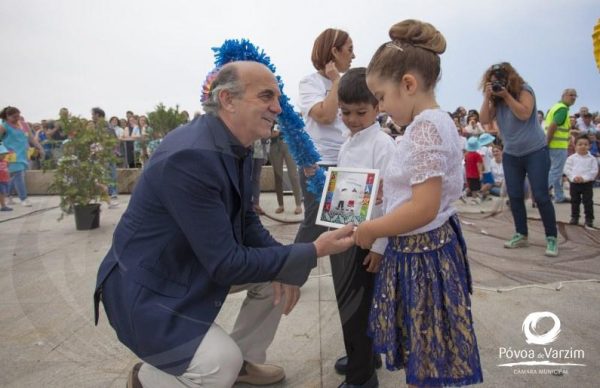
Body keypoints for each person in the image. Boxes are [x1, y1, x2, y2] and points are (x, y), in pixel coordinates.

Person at [94, 61, 355, 388]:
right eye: (266, 96)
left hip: (186, 267)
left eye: (278, 97)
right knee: (218, 363)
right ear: (228, 100)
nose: (278, 107)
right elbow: (226, 264)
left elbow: (246, 223)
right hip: (147, 291)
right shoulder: (190, 157)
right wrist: (313, 250)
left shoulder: (237, 146)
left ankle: (243, 363)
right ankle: (149, 380)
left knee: (280, 275)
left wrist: (289, 263)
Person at [355, 19, 483, 387]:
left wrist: (371, 228)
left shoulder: (424, 127)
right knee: (428, 344)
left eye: (380, 96)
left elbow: (423, 208)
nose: (379, 107)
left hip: (422, 256)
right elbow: (419, 190)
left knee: (425, 349)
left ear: (408, 84)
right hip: (429, 249)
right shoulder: (435, 121)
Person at [326, 67, 395, 388]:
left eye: (360, 112)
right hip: (344, 235)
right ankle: (365, 356)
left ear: (378, 107)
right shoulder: (347, 142)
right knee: (350, 304)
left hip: (369, 242)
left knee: (358, 308)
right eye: (345, 112)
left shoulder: (383, 145)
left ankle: (361, 377)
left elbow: (391, 202)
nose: (352, 119)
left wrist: (380, 246)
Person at [480, 62, 559, 257]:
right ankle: (521, 233)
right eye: (492, 83)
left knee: (540, 195)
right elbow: (483, 120)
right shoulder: (496, 100)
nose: (496, 85)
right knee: (514, 195)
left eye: (499, 81)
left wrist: (506, 95)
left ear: (509, 79)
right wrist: (488, 97)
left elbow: (524, 113)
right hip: (512, 154)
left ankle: (551, 237)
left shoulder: (524, 90)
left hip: (535, 151)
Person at [295, 28, 355, 248]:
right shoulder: (309, 83)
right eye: (349, 50)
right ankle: (289, 277)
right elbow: (325, 116)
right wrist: (336, 83)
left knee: (344, 227)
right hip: (318, 164)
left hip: (345, 162)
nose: (353, 56)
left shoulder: (349, 83)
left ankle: (344, 281)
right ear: (334, 51)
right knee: (314, 224)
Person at [0, 106, 44, 207]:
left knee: (14, 177)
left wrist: (40, 148)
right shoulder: (4, 126)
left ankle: (8, 196)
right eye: (14, 117)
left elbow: (31, 138)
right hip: (11, 155)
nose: (17, 119)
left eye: (18, 116)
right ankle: (23, 199)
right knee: (19, 175)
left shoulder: (24, 125)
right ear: (7, 117)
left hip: (23, 154)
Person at [546, 89, 578, 203]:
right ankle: (540, 193)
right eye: (571, 95)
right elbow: (553, 126)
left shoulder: (556, 107)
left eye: (575, 96)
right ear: (564, 95)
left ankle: (559, 196)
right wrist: (547, 142)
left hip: (555, 145)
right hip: (557, 146)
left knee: (555, 171)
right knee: (556, 172)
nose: (573, 98)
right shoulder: (562, 109)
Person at [564, 135, 598, 229]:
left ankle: (589, 219)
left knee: (588, 202)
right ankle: (574, 217)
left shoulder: (592, 159)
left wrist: (584, 178)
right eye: (580, 144)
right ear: (575, 146)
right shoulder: (571, 158)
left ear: (589, 146)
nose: (583, 146)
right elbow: (567, 169)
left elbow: (594, 171)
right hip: (574, 184)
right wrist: (573, 177)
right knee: (575, 201)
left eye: (585, 144)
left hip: (587, 184)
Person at [269, 123, 303, 214]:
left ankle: (298, 205)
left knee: (293, 175)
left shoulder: (287, 113)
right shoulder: (270, 113)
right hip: (274, 145)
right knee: (278, 177)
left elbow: (296, 127)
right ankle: (281, 205)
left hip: (289, 144)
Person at [251, 137, 269, 215]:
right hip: (248, 152)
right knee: (247, 178)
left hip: (259, 153)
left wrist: (265, 154)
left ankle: (256, 204)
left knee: (256, 179)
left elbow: (265, 139)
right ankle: (247, 205)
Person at [464, 136, 484, 202]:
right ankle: (474, 199)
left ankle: (463, 194)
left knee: (470, 187)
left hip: (468, 174)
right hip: (475, 175)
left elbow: (465, 164)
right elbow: (479, 165)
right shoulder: (477, 155)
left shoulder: (467, 155)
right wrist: (481, 173)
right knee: (475, 189)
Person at [477, 133, 495, 198]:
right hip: (486, 169)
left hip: (483, 169)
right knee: (491, 182)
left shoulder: (480, 148)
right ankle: (480, 192)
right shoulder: (484, 148)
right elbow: (481, 157)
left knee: (484, 183)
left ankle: (483, 194)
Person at [0, 144, 12, 211]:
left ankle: (3, 205)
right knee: (1, 193)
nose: (4, 156)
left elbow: (7, 169)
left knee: (4, 193)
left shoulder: (5, 161)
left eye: (4, 154)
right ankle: (3, 206)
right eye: (2, 154)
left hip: (5, 180)